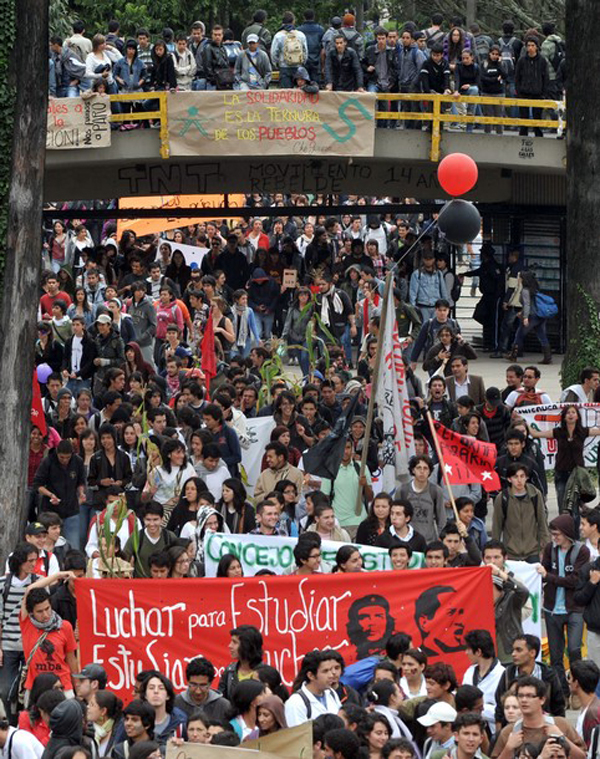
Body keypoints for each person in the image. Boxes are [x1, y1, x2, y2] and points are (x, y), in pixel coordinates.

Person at [539, 515, 589, 697]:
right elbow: (541, 570)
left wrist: (549, 577)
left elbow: (575, 580)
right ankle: (563, 692)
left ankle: (578, 688)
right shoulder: (550, 549)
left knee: (575, 651)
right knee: (555, 655)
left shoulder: (581, 551)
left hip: (574, 607)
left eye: (557, 534)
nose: (554, 538)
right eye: (552, 534)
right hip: (552, 609)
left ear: (567, 533)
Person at [491, 676, 585, 759]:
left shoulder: (561, 724)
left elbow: (582, 756)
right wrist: (508, 748)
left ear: (542, 699)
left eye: (529, 696)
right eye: (520, 696)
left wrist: (561, 737)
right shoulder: (509, 732)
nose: (524, 700)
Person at [19, 572, 78, 702]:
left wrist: (77, 686)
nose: (45, 614)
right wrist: (60, 575)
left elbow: (71, 659)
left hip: (63, 685)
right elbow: (30, 589)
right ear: (31, 613)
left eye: (47, 608)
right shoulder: (26, 623)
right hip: (35, 686)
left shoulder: (64, 626)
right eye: (39, 611)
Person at [528, 406, 600, 511]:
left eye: (573, 412)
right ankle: (563, 526)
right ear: (564, 417)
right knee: (562, 506)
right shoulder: (558, 432)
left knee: (574, 508)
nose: (570, 414)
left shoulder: (583, 432)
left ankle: (575, 526)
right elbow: (535, 434)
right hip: (561, 472)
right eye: (568, 413)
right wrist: (524, 421)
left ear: (577, 417)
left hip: (577, 474)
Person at [493, 636, 566, 727]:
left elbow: (558, 706)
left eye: (518, 650)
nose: (513, 654)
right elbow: (499, 707)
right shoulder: (508, 674)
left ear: (532, 653)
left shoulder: (548, 674)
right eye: (513, 650)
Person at [492, 463, 549, 562]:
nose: (519, 480)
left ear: (526, 477)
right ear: (509, 479)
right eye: (515, 477)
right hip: (511, 552)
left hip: (533, 551)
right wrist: (495, 551)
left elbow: (542, 522)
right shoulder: (502, 498)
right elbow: (497, 526)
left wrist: (546, 547)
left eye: (522, 476)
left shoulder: (535, 495)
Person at [462, 629, 505, 734]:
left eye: (468, 649)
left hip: (493, 732)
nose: (466, 652)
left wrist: (478, 709)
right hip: (469, 728)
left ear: (478, 652)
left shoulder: (502, 675)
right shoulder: (469, 672)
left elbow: (504, 711)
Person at [285, 650, 342, 727]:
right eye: (325, 671)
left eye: (331, 670)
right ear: (311, 675)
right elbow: (299, 736)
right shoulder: (296, 703)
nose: (331, 675)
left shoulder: (332, 693)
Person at [397, 455, 446, 543]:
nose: (422, 471)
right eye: (418, 467)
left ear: (430, 471)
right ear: (413, 470)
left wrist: (440, 538)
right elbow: (395, 516)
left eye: (425, 468)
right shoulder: (403, 490)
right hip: (406, 541)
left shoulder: (435, 491)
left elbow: (441, 519)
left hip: (428, 541)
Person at [174, 657, 230, 722]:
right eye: (194, 685)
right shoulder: (176, 703)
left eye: (203, 685)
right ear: (187, 682)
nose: (198, 691)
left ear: (210, 684)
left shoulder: (224, 706)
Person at [515, 37, 550, 138]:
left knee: (537, 119)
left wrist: (544, 93)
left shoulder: (542, 61)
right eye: (528, 45)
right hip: (524, 93)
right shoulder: (521, 61)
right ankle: (522, 137)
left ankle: (539, 138)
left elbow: (546, 78)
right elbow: (517, 77)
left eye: (533, 45)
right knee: (524, 120)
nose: (530, 48)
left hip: (538, 93)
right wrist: (518, 91)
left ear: (537, 47)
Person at [219, 625, 263, 700]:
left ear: (247, 645)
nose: (230, 646)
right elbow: (221, 701)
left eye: (235, 642)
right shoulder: (230, 671)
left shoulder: (265, 673)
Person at [270, 12, 308, 88]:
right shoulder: (300, 35)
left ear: (282, 22)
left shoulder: (279, 35)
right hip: (298, 67)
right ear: (293, 21)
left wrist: (277, 64)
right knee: (299, 94)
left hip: (284, 67)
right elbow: (305, 51)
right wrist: (302, 62)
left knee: (286, 94)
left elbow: (273, 53)